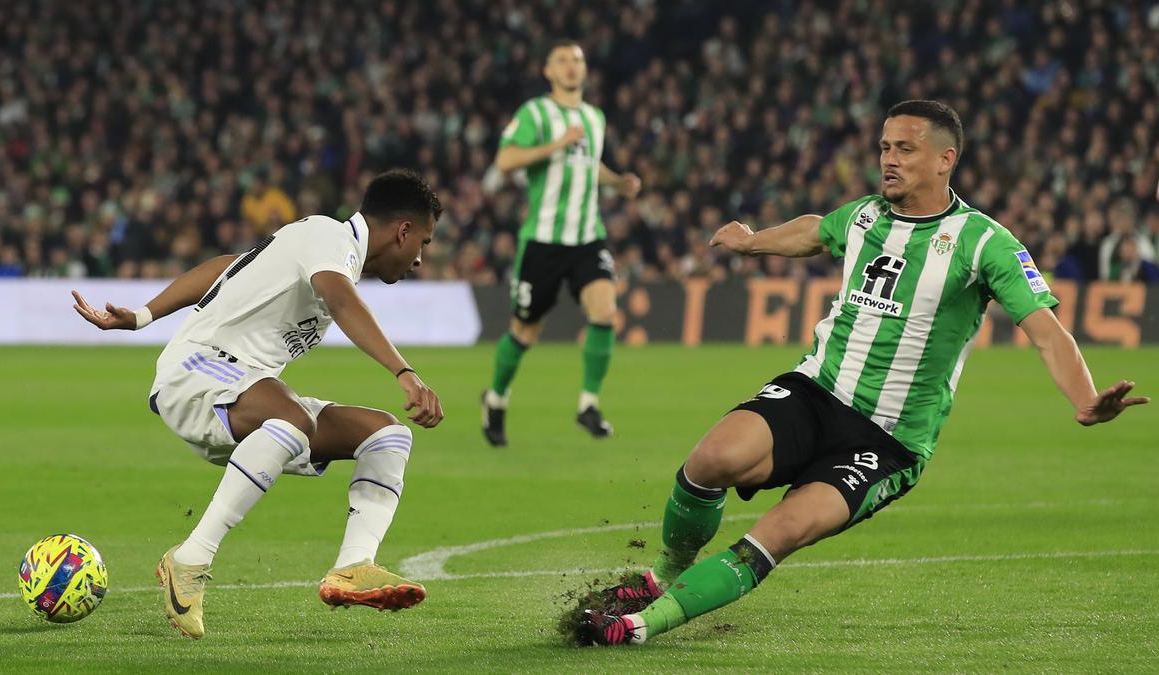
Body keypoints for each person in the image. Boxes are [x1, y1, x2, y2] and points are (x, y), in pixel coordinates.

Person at [575, 101, 1149, 646]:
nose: (889, 159)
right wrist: (754, 244)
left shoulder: (983, 242)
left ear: (946, 159)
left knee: (780, 531)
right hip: (817, 390)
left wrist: (1085, 397)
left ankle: (643, 626)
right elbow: (816, 229)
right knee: (710, 461)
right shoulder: (868, 214)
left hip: (887, 441)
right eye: (884, 147)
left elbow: (1046, 330)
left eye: (905, 148)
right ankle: (661, 576)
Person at [73, 170, 445, 639]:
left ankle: (353, 566)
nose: (419, 258)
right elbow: (342, 300)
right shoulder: (329, 237)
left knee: (387, 435)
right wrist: (404, 372)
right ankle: (190, 560)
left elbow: (228, 267)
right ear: (403, 230)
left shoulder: (318, 248)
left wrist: (146, 313)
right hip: (196, 370)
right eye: (424, 243)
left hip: (243, 388)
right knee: (288, 416)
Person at [481, 39, 642, 447]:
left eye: (577, 61)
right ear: (547, 71)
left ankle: (588, 404)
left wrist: (617, 182)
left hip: (588, 237)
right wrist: (554, 145)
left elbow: (590, 165)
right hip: (543, 242)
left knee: (605, 311)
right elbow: (505, 161)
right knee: (524, 331)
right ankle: (496, 399)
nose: (571, 67)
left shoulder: (595, 117)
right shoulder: (535, 113)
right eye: (562, 61)